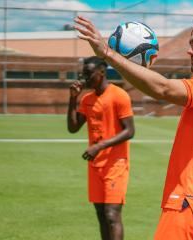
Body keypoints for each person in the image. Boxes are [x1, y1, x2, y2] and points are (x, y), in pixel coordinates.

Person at [74, 16, 193, 240]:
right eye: (190, 45)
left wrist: (107, 53)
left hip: (188, 205)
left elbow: (163, 88)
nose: (190, 51)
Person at [67, 56, 135, 240]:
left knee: (112, 215)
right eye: (83, 74)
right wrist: (73, 99)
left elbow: (130, 131)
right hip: (95, 165)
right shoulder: (87, 99)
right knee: (101, 216)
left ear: (102, 72)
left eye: (88, 74)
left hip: (115, 165)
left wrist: (100, 146)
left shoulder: (119, 96)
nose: (84, 78)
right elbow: (73, 128)